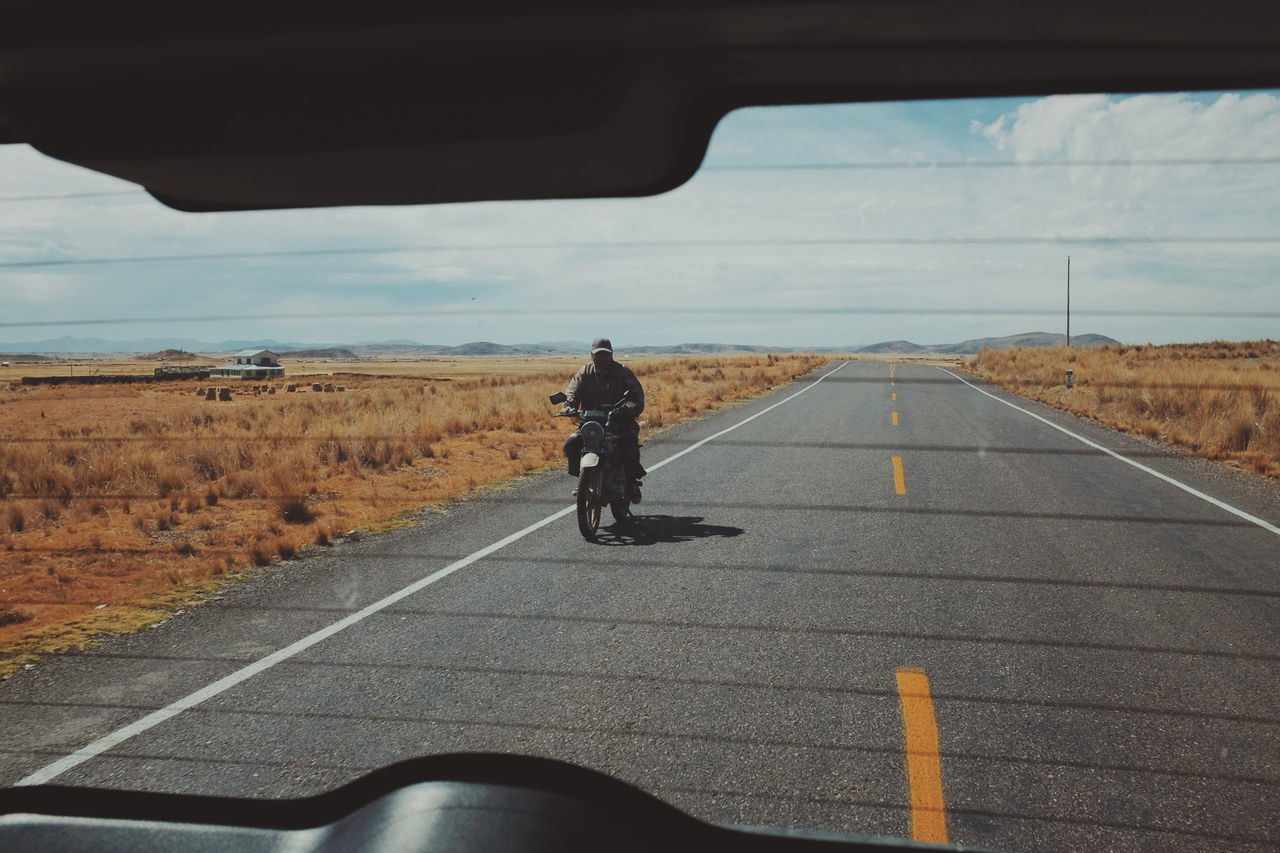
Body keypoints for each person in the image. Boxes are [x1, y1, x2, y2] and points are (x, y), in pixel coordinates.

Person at [561, 338, 646, 500]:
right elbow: (572, 392)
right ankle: (583, 479)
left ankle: (631, 482)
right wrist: (568, 406)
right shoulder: (585, 372)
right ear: (592, 356)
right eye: (598, 355)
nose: (602, 358)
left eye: (605, 355)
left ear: (611, 354)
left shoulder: (622, 372)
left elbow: (637, 396)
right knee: (571, 444)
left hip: (620, 422)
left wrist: (631, 406)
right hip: (591, 423)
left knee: (629, 451)